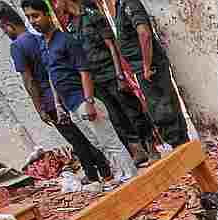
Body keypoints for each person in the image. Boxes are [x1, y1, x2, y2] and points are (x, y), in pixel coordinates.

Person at [0, 1, 113, 191]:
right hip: (65, 93)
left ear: (7, 26)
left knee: (76, 139)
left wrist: (38, 107)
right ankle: (104, 170)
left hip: (49, 99)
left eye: (3, 29)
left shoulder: (17, 47)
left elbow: (29, 80)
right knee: (86, 134)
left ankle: (93, 175)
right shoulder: (39, 38)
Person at [21, 0, 138, 183]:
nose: (33, 21)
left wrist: (89, 101)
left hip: (83, 100)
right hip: (71, 106)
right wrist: (59, 105)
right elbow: (53, 75)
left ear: (48, 15)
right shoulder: (44, 45)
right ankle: (123, 176)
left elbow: (85, 72)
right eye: (28, 17)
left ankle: (132, 177)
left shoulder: (66, 41)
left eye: (35, 15)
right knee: (99, 144)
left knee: (110, 142)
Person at [59, 0, 160, 165]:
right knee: (115, 116)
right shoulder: (70, 26)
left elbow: (111, 45)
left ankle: (151, 145)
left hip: (110, 72)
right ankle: (137, 150)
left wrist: (120, 75)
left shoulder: (92, 16)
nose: (56, 6)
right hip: (95, 79)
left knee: (131, 110)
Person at [113, 0, 189, 147]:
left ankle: (186, 154)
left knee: (164, 114)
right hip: (144, 67)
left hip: (150, 68)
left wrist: (147, 66)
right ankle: (186, 152)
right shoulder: (120, 5)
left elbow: (144, 34)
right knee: (165, 112)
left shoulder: (129, 3)